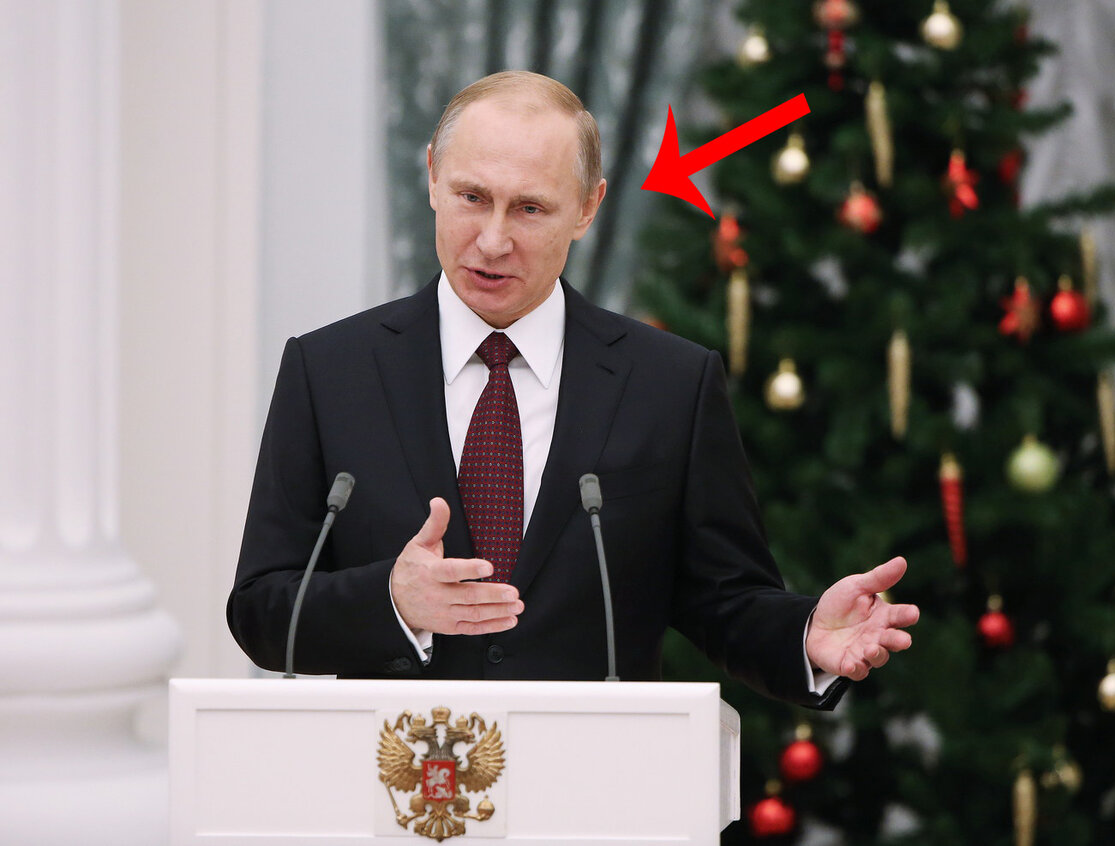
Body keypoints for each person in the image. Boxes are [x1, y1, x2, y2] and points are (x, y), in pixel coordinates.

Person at [227, 71, 918, 709]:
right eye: (472, 198)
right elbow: (261, 609)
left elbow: (725, 599)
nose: (492, 240)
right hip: (402, 777)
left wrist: (804, 635)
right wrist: (391, 602)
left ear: (587, 209)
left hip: (595, 782)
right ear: (433, 176)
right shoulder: (329, 370)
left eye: (529, 208)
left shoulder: (670, 384)